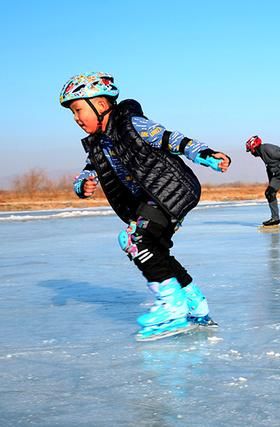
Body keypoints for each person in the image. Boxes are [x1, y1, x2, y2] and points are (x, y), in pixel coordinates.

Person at [60, 72, 232, 341]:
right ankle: (194, 304)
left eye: (79, 109)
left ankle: (172, 308)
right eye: (72, 113)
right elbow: (90, 168)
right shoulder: (97, 143)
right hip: (152, 198)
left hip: (170, 190)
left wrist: (205, 155)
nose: (77, 118)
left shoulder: (131, 124)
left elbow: (170, 139)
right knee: (155, 250)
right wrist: (82, 184)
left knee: (133, 238)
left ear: (101, 105)